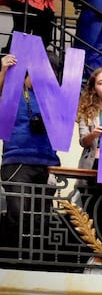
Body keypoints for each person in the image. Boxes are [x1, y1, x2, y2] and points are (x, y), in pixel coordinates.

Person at [0, 52, 60, 258]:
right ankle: (10, 258)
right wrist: (3, 70)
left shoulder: (52, 98)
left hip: (45, 162)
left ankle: (35, 260)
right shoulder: (14, 90)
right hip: (17, 160)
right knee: (17, 212)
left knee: (41, 217)